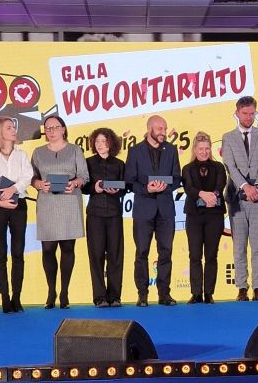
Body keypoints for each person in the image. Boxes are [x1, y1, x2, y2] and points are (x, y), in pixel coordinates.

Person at [31, 115, 89, 309]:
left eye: (55, 127)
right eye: (48, 128)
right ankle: (51, 290)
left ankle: (64, 292)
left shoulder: (75, 150)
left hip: (69, 202)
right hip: (47, 203)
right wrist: (39, 184)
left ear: (63, 129)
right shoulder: (38, 152)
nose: (51, 131)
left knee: (67, 248)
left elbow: (84, 176)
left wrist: (75, 183)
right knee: (48, 249)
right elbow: (32, 177)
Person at [124, 115, 181, 306]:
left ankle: (164, 294)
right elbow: (129, 181)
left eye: (165, 128)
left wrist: (166, 187)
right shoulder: (135, 151)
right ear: (149, 129)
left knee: (166, 252)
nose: (163, 132)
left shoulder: (171, 150)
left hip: (166, 210)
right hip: (143, 210)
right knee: (141, 252)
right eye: (159, 129)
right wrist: (146, 189)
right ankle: (142, 295)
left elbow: (177, 178)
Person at [222, 95, 258, 301]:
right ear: (237, 113)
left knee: (257, 244)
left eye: (252, 113)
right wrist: (245, 186)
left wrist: (257, 187)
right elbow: (230, 166)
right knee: (239, 244)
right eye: (245, 113)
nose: (249, 117)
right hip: (236, 196)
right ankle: (242, 288)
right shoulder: (228, 137)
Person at [181, 132, 227, 303]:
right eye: (201, 148)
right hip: (194, 216)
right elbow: (189, 188)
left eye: (207, 148)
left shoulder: (219, 167)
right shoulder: (187, 168)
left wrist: (212, 197)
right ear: (195, 149)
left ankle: (209, 293)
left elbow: (220, 185)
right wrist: (203, 195)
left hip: (214, 215)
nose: (204, 151)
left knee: (211, 255)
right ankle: (196, 293)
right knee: (194, 255)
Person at [85, 128, 125, 307]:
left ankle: (115, 296)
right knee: (96, 256)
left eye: (104, 141)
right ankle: (99, 297)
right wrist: (95, 188)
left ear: (111, 143)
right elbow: (83, 187)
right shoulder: (88, 163)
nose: (100, 144)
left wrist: (117, 190)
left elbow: (125, 186)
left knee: (115, 255)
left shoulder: (119, 164)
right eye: (97, 141)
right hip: (95, 214)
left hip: (115, 213)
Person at [0, 117, 33, 313]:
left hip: (19, 206)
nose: (13, 130)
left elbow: (27, 176)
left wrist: (13, 189)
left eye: (14, 127)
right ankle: (4, 297)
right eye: (9, 127)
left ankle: (17, 297)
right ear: (0, 132)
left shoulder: (22, 155)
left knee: (18, 253)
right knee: (0, 254)